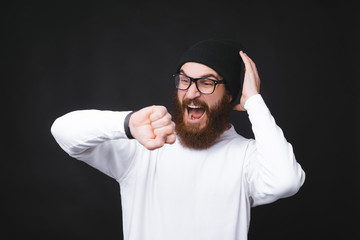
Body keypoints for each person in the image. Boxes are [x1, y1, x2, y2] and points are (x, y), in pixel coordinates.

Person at [51, 39, 305, 240]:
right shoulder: (145, 146)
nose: (191, 93)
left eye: (206, 83)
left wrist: (253, 102)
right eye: (184, 80)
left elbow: (286, 182)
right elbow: (63, 131)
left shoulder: (246, 158)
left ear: (229, 95)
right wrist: (126, 124)